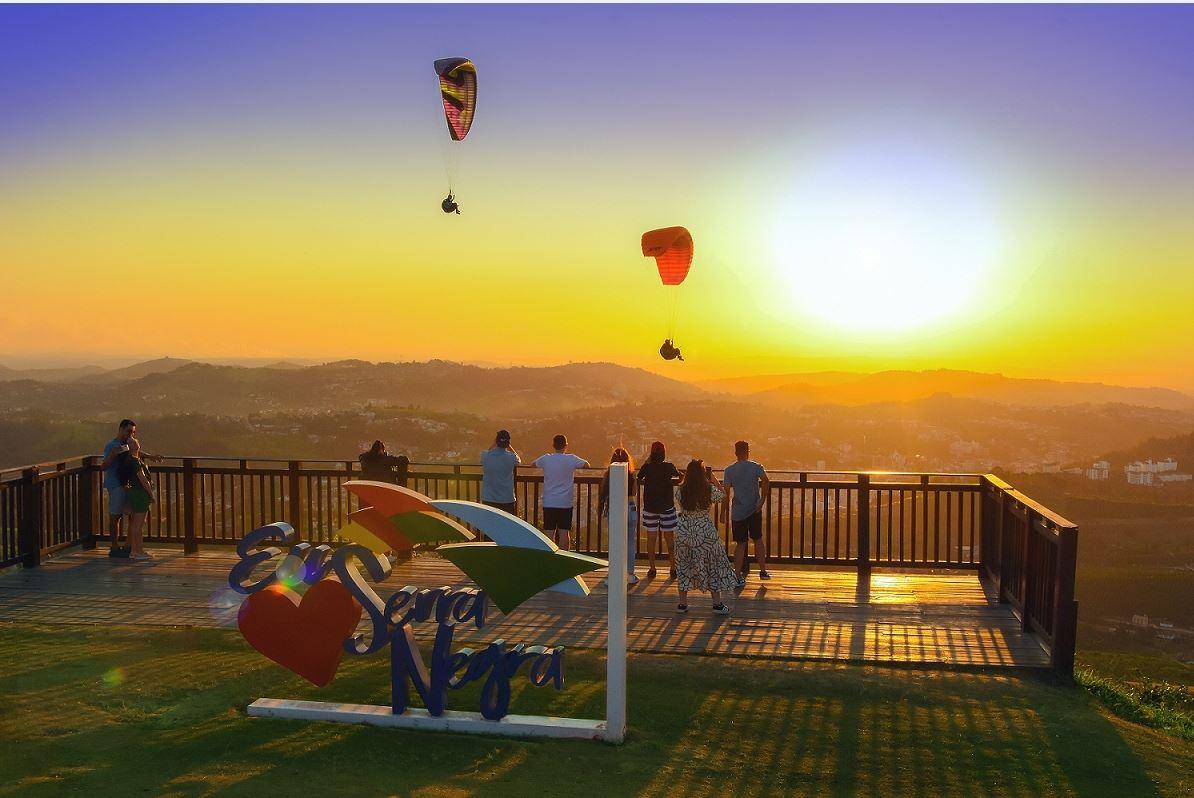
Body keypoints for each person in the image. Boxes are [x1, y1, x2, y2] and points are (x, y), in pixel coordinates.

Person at [673, 459, 738, 614]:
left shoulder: (681, 490)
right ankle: (717, 604)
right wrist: (713, 479)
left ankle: (682, 603)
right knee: (713, 566)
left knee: (684, 566)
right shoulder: (708, 489)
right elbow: (723, 496)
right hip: (705, 532)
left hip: (684, 531)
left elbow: (680, 500)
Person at [99, 419, 161, 558]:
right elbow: (103, 466)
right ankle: (115, 547)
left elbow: (134, 452)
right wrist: (113, 455)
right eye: (129, 431)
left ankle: (129, 547)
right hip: (116, 485)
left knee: (133, 516)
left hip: (129, 486)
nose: (131, 434)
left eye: (133, 432)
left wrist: (150, 457)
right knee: (116, 516)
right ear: (121, 429)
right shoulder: (112, 446)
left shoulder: (126, 445)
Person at [722, 440, 771, 585]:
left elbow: (726, 493)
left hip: (738, 511)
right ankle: (763, 571)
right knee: (758, 540)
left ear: (735, 453)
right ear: (748, 452)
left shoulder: (729, 470)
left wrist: (723, 512)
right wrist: (762, 500)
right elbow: (766, 481)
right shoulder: (756, 467)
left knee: (740, 544)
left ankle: (737, 576)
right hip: (754, 509)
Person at [533, 435, 589, 550]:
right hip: (565, 502)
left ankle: (550, 557)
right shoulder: (571, 459)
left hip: (549, 502)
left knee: (549, 533)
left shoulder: (546, 459)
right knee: (564, 533)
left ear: (553, 445)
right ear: (566, 446)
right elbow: (586, 465)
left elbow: (533, 464)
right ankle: (564, 556)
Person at [636, 441, 679, 579]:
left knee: (651, 539)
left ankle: (652, 568)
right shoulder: (669, 467)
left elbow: (638, 477)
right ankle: (673, 568)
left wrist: (647, 461)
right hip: (667, 506)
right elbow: (680, 476)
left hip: (650, 507)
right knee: (670, 539)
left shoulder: (647, 468)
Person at [599, 447, 638, 585]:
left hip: (615, 508)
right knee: (630, 542)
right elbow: (634, 493)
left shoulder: (608, 474)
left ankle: (614, 574)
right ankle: (630, 574)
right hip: (630, 507)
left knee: (615, 542)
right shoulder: (632, 475)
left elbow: (604, 493)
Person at [117, 437, 155, 561]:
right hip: (140, 493)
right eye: (130, 442)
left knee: (135, 524)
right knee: (138, 525)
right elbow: (143, 479)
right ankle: (137, 551)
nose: (134, 443)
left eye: (134, 441)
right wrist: (151, 494)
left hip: (135, 492)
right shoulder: (134, 461)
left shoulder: (132, 459)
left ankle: (136, 551)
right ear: (128, 447)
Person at [480, 429, 521, 514]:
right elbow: (518, 461)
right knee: (507, 522)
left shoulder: (485, 455)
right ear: (508, 442)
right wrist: (509, 446)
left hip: (489, 498)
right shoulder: (512, 457)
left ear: (496, 441)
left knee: (488, 522)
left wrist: (494, 443)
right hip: (507, 499)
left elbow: (487, 453)